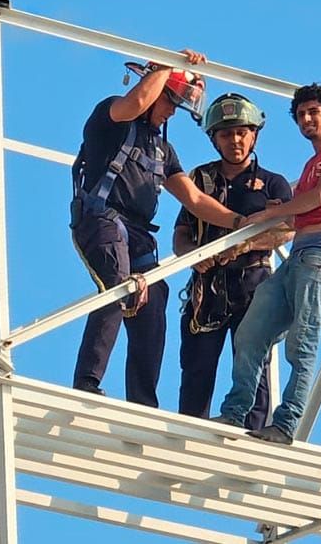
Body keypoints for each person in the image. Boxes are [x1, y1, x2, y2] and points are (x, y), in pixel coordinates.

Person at [70, 49, 247, 407]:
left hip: (137, 234)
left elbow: (195, 200)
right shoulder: (112, 117)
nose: (170, 112)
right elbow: (137, 101)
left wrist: (239, 222)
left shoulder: (163, 150)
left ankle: (143, 401)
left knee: (155, 301)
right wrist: (170, 67)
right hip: (101, 219)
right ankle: (87, 382)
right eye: (169, 103)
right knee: (119, 287)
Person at [213, 83, 321, 444]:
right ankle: (236, 413)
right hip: (300, 252)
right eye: (300, 115)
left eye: (314, 112)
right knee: (250, 332)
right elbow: (296, 218)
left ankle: (286, 423)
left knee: (303, 337)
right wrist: (249, 238)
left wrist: (273, 212)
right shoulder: (312, 162)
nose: (307, 119)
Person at [173, 93, 293, 428]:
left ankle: (251, 432)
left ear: (254, 134)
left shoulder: (272, 183)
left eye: (242, 132)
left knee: (252, 360)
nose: (235, 140)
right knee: (196, 366)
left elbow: (286, 230)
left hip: (253, 284)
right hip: (207, 288)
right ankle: (192, 430)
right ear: (214, 139)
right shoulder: (201, 180)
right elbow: (181, 234)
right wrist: (192, 257)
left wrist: (242, 246)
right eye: (226, 134)